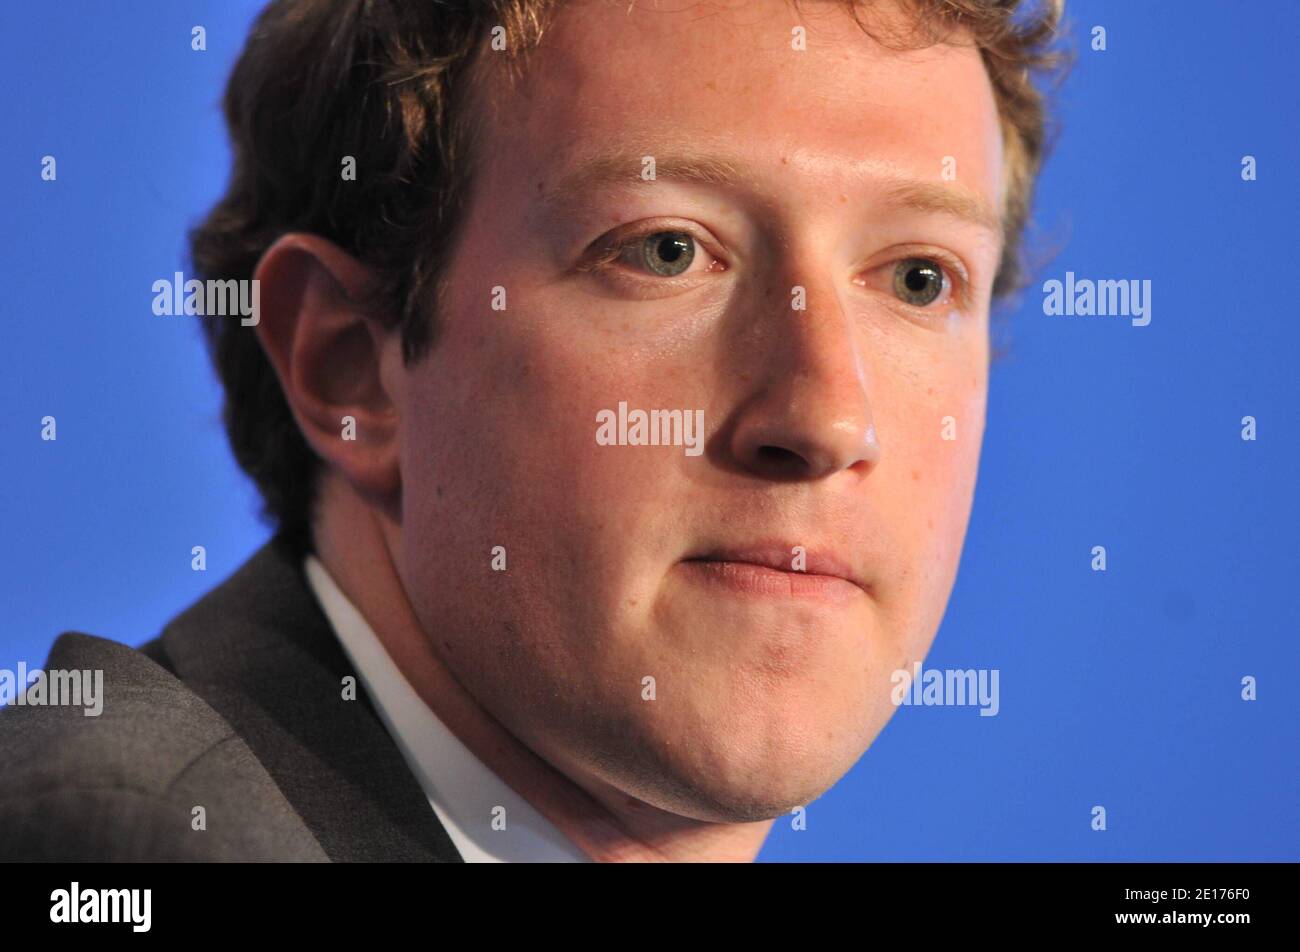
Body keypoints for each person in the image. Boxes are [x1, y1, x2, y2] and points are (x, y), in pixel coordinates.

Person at [0, 0, 1065, 862]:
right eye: (665, 251)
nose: (826, 417)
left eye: (918, 277)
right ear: (350, 368)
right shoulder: (119, 844)